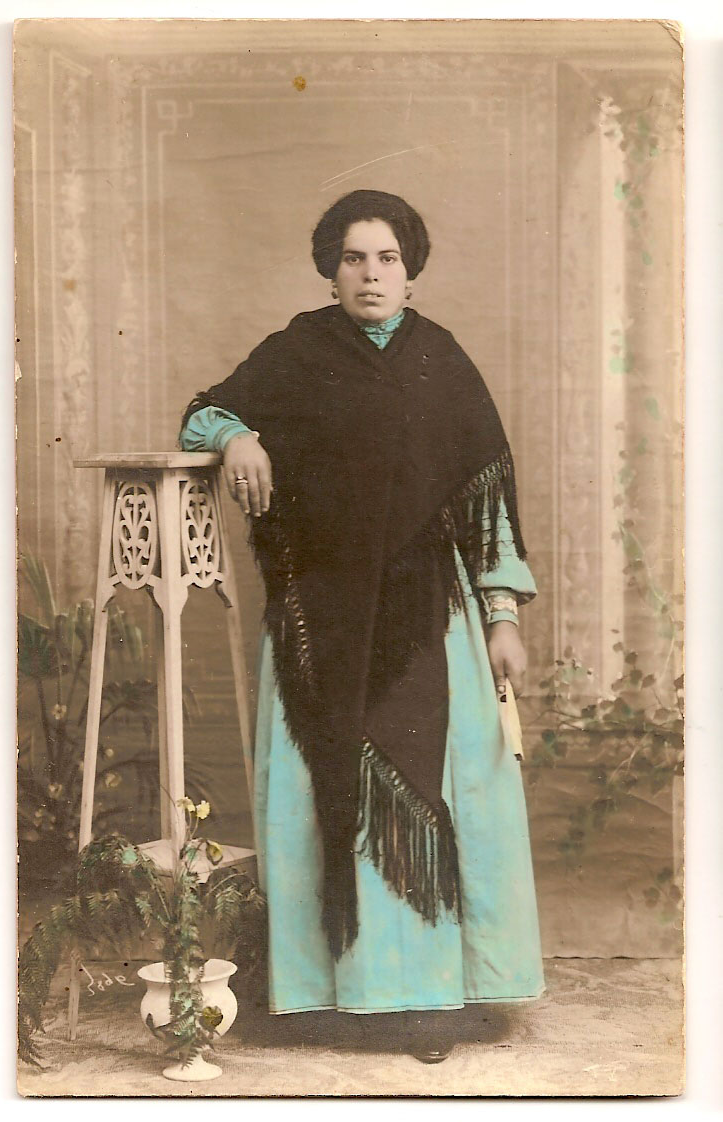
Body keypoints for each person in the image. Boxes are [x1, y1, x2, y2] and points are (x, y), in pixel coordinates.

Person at [179, 189, 544, 1062]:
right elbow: (203, 411)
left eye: (386, 259)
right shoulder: (297, 352)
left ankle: (430, 998)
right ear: (330, 270)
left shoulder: (441, 361)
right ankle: (331, 998)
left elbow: (486, 502)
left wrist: (501, 616)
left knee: (443, 790)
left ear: (410, 271)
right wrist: (237, 438)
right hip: (320, 619)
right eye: (353, 259)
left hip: (431, 619)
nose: (370, 275)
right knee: (321, 797)